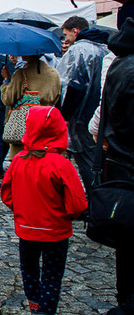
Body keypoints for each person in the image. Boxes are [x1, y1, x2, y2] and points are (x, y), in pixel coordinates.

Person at [40, 15, 134, 315]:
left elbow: (98, 126)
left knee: (128, 296)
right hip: (129, 187)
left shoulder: (121, 65)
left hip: (121, 187)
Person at [0, 106, 87, 315]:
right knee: (51, 278)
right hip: (55, 232)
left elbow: (7, 195)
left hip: (26, 230)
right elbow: (77, 204)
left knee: (30, 274)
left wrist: (23, 210)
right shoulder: (61, 164)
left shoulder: (18, 160)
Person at [57, 16, 110, 189]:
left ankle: (94, 200)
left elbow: (74, 85)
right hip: (101, 112)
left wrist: (65, 115)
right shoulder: (105, 49)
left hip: (81, 116)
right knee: (99, 158)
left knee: (86, 159)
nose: (66, 40)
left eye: (66, 34)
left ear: (75, 31)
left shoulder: (78, 50)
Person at [0, 55, 61, 161]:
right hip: (46, 122)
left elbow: (8, 99)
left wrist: (6, 80)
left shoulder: (21, 73)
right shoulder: (54, 73)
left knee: (23, 162)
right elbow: (56, 97)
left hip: (25, 124)